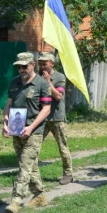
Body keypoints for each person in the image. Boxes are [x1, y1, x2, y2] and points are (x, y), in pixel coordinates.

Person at [3, 52, 52, 213]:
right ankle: (39, 195)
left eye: (25, 66)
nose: (21, 70)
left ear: (33, 65)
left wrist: (31, 128)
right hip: (16, 130)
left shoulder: (42, 84)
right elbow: (9, 105)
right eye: (19, 67)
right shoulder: (14, 83)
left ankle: (15, 201)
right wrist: (5, 122)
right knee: (30, 166)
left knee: (25, 166)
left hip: (34, 132)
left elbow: (46, 109)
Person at [38, 52, 73, 185]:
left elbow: (58, 96)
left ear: (52, 63)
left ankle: (68, 174)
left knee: (63, 147)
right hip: (42, 117)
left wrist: (47, 82)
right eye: (40, 63)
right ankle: (29, 172)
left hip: (56, 117)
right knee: (34, 145)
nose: (42, 66)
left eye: (44, 63)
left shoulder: (59, 77)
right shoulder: (37, 76)